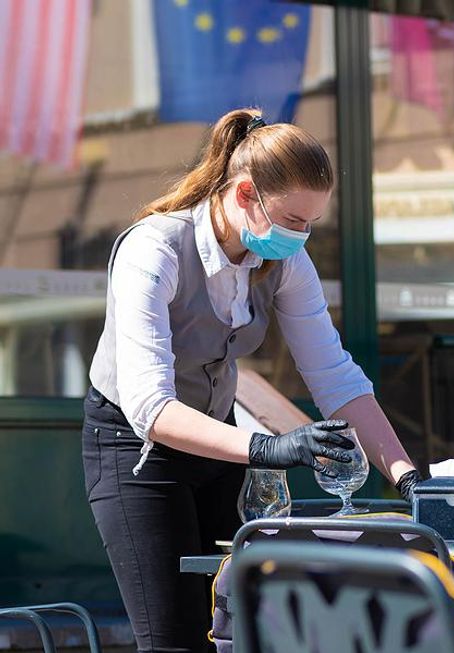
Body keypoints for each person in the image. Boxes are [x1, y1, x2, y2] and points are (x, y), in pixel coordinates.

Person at [82, 108, 423, 653]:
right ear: (244, 195)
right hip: (134, 449)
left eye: (312, 224)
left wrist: (409, 481)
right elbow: (150, 406)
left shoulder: (284, 259)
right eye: (292, 221)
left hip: (221, 446)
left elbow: (334, 375)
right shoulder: (153, 249)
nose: (302, 236)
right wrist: (272, 446)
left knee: (237, 633)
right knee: (173, 640)